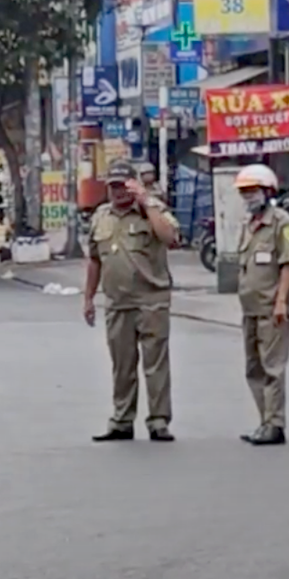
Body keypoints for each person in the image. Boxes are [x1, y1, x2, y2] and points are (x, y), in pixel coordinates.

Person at [83, 159, 180, 443]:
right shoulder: (101, 216)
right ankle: (122, 419)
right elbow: (94, 259)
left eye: (124, 186)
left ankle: (159, 420)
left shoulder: (152, 211)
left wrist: (146, 202)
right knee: (122, 365)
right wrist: (88, 297)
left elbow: (171, 237)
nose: (118, 192)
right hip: (117, 302)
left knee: (155, 364)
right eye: (113, 186)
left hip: (151, 300)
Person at [234, 163, 289, 447]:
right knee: (254, 369)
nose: (248, 197)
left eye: (253, 191)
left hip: (273, 309)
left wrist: (282, 301)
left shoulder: (282, 223)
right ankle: (265, 421)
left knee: (273, 368)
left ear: (267, 191)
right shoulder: (248, 226)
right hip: (250, 310)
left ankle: (275, 424)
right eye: (244, 192)